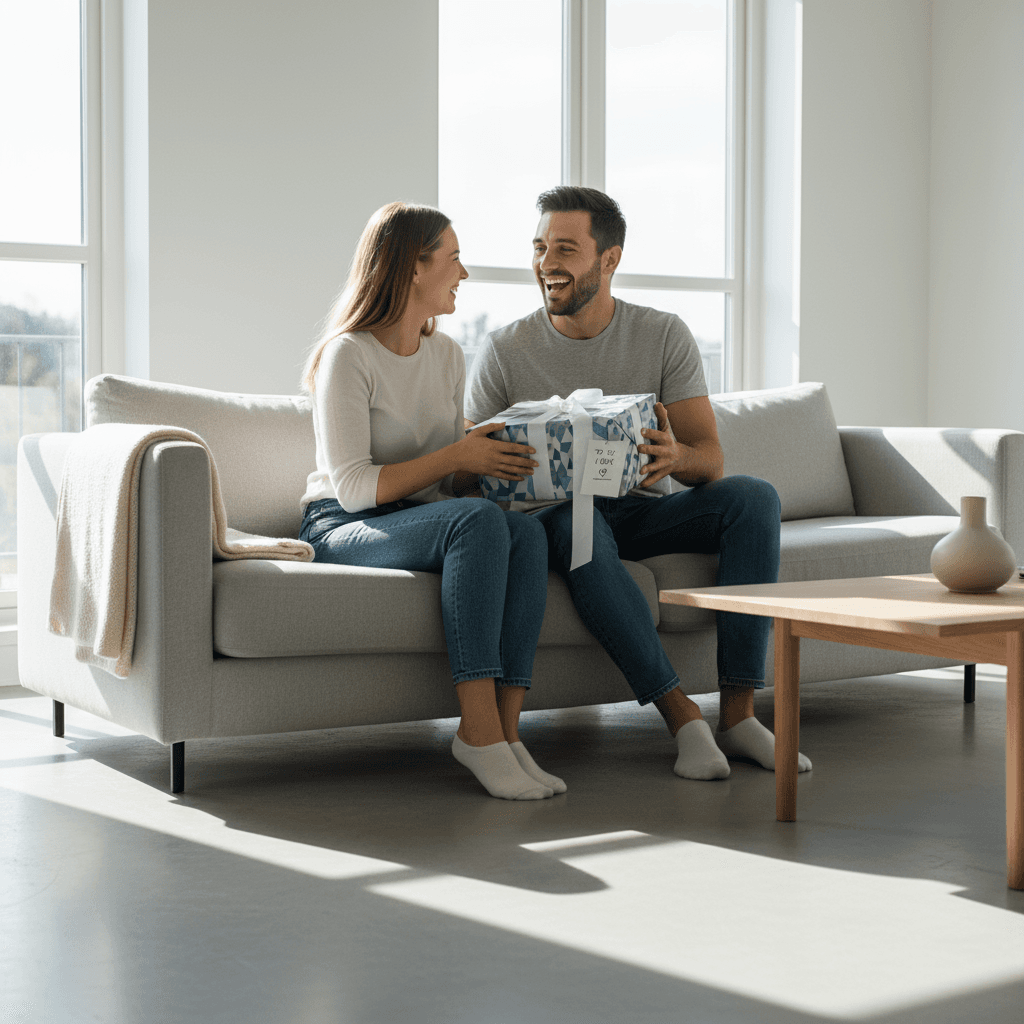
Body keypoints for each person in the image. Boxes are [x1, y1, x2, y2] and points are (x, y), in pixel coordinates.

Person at [464, 186, 812, 780]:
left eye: (566, 248)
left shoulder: (661, 334)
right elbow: (465, 469)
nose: (547, 262)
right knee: (581, 529)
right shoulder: (504, 349)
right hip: (557, 518)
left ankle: (739, 714)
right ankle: (684, 719)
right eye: (541, 246)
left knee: (753, 498)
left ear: (609, 259)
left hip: (642, 510)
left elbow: (710, 459)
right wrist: (511, 461)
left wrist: (673, 455)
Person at [299, 201, 565, 800]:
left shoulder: (446, 354)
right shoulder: (349, 354)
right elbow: (353, 487)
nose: (464, 274)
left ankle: (506, 731)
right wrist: (455, 458)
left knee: (525, 531)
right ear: (413, 268)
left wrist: (495, 456)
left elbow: (447, 488)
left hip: (418, 518)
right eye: (454, 259)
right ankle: (476, 731)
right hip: (342, 524)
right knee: (475, 522)